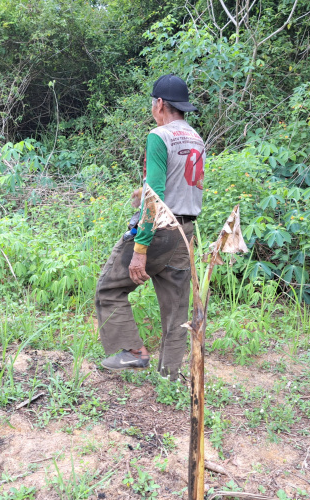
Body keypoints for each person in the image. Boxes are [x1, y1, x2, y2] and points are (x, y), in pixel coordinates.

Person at [96, 74, 205, 381]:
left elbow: (156, 196)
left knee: (110, 289)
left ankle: (132, 352)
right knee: (176, 310)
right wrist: (141, 192)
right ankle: (170, 375)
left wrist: (140, 250)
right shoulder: (196, 138)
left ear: (159, 104)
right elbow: (179, 184)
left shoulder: (159, 135)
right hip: (186, 232)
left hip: (159, 230)